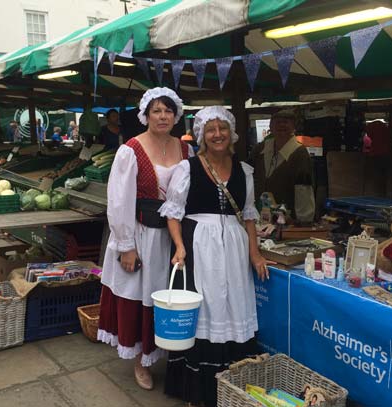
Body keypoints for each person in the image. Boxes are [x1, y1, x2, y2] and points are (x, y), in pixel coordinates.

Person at [160, 106, 273, 407]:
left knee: (234, 303)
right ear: (201, 135)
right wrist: (179, 246)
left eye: (222, 128)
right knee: (206, 307)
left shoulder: (244, 170)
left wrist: (255, 253)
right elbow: (172, 213)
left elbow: (248, 217)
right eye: (210, 129)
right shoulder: (187, 168)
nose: (217, 134)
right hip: (199, 246)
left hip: (234, 248)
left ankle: (234, 383)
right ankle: (199, 390)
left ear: (231, 133)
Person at [97, 87, 193, 391]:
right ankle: (141, 360)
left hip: (172, 236)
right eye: (156, 110)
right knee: (142, 297)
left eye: (168, 110)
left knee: (167, 297)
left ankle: (163, 352)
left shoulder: (186, 149)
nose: (163, 116)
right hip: (141, 235)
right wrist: (126, 246)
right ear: (146, 115)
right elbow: (118, 200)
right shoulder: (131, 149)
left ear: (176, 114)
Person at [250, 109, 315, 223]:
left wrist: (303, 220)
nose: (281, 125)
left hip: (287, 219)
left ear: (294, 126)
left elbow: (304, 189)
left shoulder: (299, 153)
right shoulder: (261, 148)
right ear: (270, 125)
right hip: (259, 216)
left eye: (286, 121)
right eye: (277, 121)